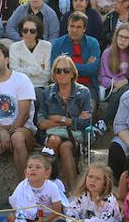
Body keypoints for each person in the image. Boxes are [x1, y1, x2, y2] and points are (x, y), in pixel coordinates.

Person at [0, 43, 38, 175]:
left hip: (22, 128)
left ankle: (26, 187)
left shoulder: (22, 80)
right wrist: (1, 133)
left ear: (6, 59)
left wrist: (8, 134)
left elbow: (24, 115)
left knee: (17, 138)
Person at [36, 55, 93, 188]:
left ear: (73, 73)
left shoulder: (83, 92)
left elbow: (86, 123)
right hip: (53, 136)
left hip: (74, 136)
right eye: (58, 70)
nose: (62, 74)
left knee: (66, 147)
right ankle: (44, 188)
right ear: (54, 74)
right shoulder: (47, 92)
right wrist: (68, 121)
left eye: (66, 70)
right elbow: (41, 122)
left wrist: (58, 118)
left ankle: (73, 192)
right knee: (54, 140)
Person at [51, 160, 122, 222]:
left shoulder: (109, 199)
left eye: (98, 179)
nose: (93, 180)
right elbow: (71, 210)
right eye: (90, 177)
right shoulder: (83, 195)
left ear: (105, 184)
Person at [7, 151, 67, 222]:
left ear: (46, 174)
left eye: (38, 167)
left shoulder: (52, 187)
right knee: (10, 216)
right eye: (30, 167)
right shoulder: (22, 186)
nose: (33, 169)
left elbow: (57, 211)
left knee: (59, 220)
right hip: (28, 218)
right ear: (25, 173)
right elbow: (17, 208)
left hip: (46, 218)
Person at [10, 16, 53, 88]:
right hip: (21, 86)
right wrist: (39, 68)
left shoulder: (47, 46)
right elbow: (15, 74)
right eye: (25, 30)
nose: (28, 33)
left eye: (32, 31)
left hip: (42, 87)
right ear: (21, 31)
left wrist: (23, 69)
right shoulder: (14, 47)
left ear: (38, 32)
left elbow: (47, 75)